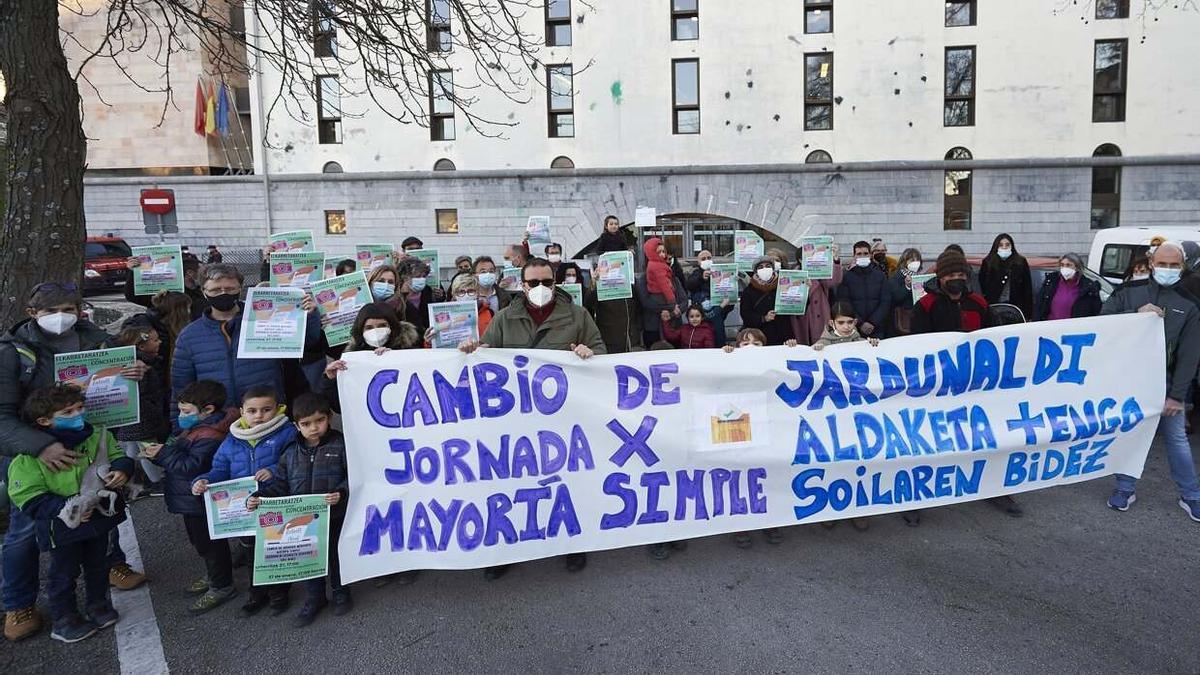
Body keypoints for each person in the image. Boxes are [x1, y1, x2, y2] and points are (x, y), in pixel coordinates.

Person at [0, 282, 148, 641]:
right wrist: (40, 445)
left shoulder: (95, 338)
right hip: (35, 456)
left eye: (68, 308)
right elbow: (2, 414)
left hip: (88, 445)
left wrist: (134, 374)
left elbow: (117, 385)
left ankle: (112, 566)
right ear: (32, 313)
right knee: (24, 532)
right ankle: (19, 603)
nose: (60, 317)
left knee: (99, 513)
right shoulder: (13, 352)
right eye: (50, 311)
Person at [459, 258, 606, 578]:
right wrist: (472, 350)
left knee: (564, 483)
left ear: (556, 283)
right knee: (511, 485)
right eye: (533, 283)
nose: (540, 289)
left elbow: (601, 354)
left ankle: (571, 543)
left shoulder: (577, 316)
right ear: (521, 285)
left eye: (547, 282)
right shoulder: (504, 319)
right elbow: (485, 357)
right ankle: (504, 548)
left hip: (562, 419)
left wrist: (587, 353)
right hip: (515, 422)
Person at [8, 385, 133, 643]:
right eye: (68, 412)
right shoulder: (30, 455)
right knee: (63, 573)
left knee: (99, 564)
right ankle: (65, 619)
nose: (78, 414)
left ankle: (98, 605)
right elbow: (27, 495)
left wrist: (122, 469)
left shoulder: (96, 434)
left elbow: (117, 454)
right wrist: (66, 509)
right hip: (61, 524)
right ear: (44, 421)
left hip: (98, 515)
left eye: (79, 408)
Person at [910, 248, 1021, 523]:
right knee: (930, 440)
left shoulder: (979, 304)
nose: (956, 278)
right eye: (950, 274)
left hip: (976, 386)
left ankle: (996, 488)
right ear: (940, 276)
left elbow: (995, 339)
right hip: (938, 387)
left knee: (987, 437)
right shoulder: (925, 306)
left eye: (960, 274)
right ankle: (913, 498)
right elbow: (915, 347)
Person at [1102, 242, 1200, 521]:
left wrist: (1177, 396)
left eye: (1173, 265)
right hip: (1128, 382)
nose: (1167, 269)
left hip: (1165, 386)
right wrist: (1134, 316)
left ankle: (1191, 495)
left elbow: (1189, 355)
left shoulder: (1190, 305)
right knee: (1130, 436)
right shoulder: (1128, 292)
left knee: (1177, 440)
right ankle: (1125, 487)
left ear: (1182, 267)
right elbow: (1101, 323)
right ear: (1151, 262)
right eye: (1162, 263)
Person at [191, 385, 298, 617]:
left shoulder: (287, 433)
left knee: (275, 549)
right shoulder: (233, 439)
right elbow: (219, 468)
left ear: (278, 409)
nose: (259, 416)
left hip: (273, 502)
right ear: (242, 412)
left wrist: (273, 470)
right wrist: (203, 481)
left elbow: (293, 461)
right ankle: (256, 594)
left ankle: (279, 593)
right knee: (251, 553)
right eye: (252, 411)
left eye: (266, 410)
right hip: (244, 511)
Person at [249, 392, 350, 626]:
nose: (314, 428)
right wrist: (259, 496)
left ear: (330, 418)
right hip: (302, 519)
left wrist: (342, 493)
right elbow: (280, 484)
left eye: (319, 421)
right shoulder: (290, 452)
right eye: (306, 424)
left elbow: (353, 476)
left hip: (334, 515)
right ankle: (315, 598)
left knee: (336, 556)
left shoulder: (341, 444)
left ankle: (340, 591)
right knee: (306, 558)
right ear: (297, 425)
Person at [142, 380, 238, 614]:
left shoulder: (209, 436)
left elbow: (191, 465)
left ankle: (221, 585)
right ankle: (214, 575)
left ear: (208, 410)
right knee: (200, 541)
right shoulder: (201, 428)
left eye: (186, 411)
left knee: (210, 544)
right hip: (190, 499)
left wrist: (164, 454)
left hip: (200, 500)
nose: (181, 416)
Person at [171, 264, 322, 413]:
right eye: (216, 290)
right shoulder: (189, 336)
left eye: (230, 289)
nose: (223, 294)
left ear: (240, 289)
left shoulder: (268, 320)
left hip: (266, 415)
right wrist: (180, 428)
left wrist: (309, 316)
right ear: (204, 292)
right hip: (215, 421)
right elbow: (181, 388)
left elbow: (306, 342)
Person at [812, 301, 879, 531]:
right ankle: (830, 508)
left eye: (850, 322)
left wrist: (873, 345)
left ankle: (857, 509)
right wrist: (815, 350)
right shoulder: (821, 346)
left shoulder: (862, 343)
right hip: (832, 414)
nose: (846, 326)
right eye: (841, 322)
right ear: (832, 323)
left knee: (858, 461)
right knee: (833, 461)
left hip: (858, 414)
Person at [110, 327, 169, 492]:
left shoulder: (141, 362)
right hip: (142, 418)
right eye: (155, 340)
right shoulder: (139, 368)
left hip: (132, 419)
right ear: (141, 347)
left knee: (133, 447)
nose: (160, 342)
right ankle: (157, 481)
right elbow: (139, 394)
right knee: (149, 449)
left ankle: (130, 475)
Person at [791, 244, 844, 346]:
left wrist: (835, 261)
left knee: (821, 343)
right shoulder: (793, 275)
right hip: (801, 317)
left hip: (820, 314)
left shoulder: (820, 272)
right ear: (800, 260)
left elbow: (833, 281)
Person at [838, 241, 891, 339]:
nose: (862, 256)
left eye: (865, 253)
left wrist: (873, 322)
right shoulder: (847, 277)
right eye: (859, 254)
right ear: (854, 256)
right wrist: (860, 323)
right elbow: (845, 302)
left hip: (877, 328)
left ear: (870, 255)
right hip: (854, 329)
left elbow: (885, 302)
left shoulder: (880, 276)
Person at [126, 256, 205, 320]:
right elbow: (133, 296)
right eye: (202, 272)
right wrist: (133, 272)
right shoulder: (166, 293)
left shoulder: (202, 291)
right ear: (190, 273)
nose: (205, 275)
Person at [740, 257, 794, 346]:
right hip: (758, 338)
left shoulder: (784, 287)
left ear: (773, 269)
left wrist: (805, 290)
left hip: (783, 335)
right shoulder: (749, 291)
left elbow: (799, 307)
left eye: (768, 266)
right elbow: (746, 315)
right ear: (755, 271)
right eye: (760, 267)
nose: (764, 269)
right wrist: (763, 318)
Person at [978, 233, 1034, 321]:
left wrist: (1028, 315)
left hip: (1016, 309)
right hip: (993, 308)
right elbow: (981, 286)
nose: (1004, 247)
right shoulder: (988, 262)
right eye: (1001, 245)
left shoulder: (1020, 262)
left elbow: (1027, 289)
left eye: (1007, 245)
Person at [1036, 253, 1103, 322]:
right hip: (1050, 327)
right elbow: (1039, 305)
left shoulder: (1088, 287)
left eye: (1068, 265)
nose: (1065, 268)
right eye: (1062, 265)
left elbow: (1095, 312)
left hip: (1073, 328)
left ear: (1077, 267)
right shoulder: (1051, 282)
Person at [887, 248, 924, 337]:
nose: (915, 262)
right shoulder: (896, 277)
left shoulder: (920, 277)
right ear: (904, 262)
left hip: (918, 319)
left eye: (917, 260)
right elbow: (895, 298)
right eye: (911, 260)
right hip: (901, 321)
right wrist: (907, 286)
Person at [395, 258, 434, 334]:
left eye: (424, 276)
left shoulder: (427, 291)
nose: (422, 279)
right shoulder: (395, 295)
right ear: (405, 277)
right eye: (417, 276)